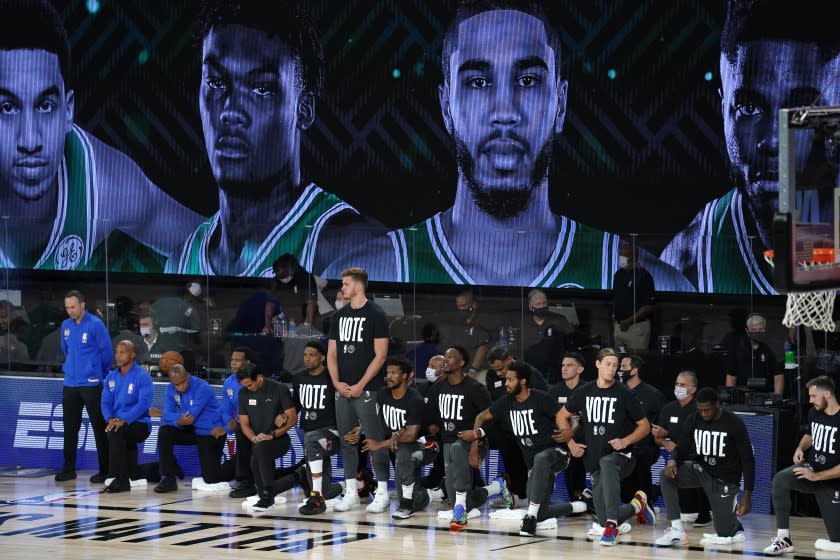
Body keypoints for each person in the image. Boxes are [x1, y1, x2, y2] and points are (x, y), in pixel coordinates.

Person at [323, 0, 692, 292]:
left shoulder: (656, 285)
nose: (505, 112)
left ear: (560, 105)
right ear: (446, 107)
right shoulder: (372, 275)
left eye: (528, 80)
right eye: (478, 81)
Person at [169, 0, 380, 277]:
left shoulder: (347, 247)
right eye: (216, 83)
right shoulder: (181, 260)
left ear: (303, 109)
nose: (231, 112)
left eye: (261, 89)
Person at [0, 0, 202, 273]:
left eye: (45, 106)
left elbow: (206, 247)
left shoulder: (106, 184)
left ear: (68, 111)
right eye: (8, 108)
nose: (29, 141)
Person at [661, 0, 840, 294]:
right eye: (748, 108)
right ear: (723, 108)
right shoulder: (688, 263)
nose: (771, 140)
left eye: (802, 106)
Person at [464, 359, 587, 536]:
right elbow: (480, 417)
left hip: (557, 454)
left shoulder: (541, 398)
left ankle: (529, 520)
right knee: (540, 512)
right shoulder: (506, 402)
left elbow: (572, 419)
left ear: (523, 381)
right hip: (533, 465)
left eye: (510, 380)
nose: (506, 383)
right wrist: (474, 448)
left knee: (541, 459)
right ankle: (576, 506)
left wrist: (570, 434)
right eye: (506, 379)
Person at [558, 347, 655, 546]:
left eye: (616, 366)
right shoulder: (584, 391)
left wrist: (626, 441)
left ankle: (612, 526)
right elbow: (561, 416)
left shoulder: (624, 393)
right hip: (593, 459)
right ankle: (637, 506)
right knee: (601, 516)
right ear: (598, 364)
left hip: (622, 456)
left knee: (608, 462)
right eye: (608, 364)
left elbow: (644, 426)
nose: (612, 369)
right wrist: (571, 443)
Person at [655, 387, 755, 546]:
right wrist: (672, 461)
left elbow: (748, 460)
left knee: (724, 533)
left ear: (717, 404)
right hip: (701, 470)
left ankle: (733, 521)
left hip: (724, 479)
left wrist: (748, 495)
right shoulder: (693, 418)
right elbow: (681, 448)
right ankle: (676, 530)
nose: (704, 414)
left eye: (707, 410)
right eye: (700, 410)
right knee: (665, 475)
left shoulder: (734, 423)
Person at [327, 267, 391, 513]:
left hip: (368, 390)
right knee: (346, 441)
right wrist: (336, 382)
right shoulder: (339, 316)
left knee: (374, 440)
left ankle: (383, 492)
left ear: (359, 286)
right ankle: (351, 492)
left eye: (345, 284)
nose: (342, 288)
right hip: (342, 390)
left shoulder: (376, 314)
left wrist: (361, 385)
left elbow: (381, 355)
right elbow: (331, 354)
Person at [427, 345, 511, 531]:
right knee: (454, 492)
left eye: (451, 357)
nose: (446, 360)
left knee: (458, 451)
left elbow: (489, 421)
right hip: (448, 442)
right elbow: (431, 417)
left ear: (462, 362)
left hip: (474, 441)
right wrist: (432, 430)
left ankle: (460, 510)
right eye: (445, 357)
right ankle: (496, 487)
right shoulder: (438, 387)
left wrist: (475, 445)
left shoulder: (475, 388)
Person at [763, 376, 840, 555]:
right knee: (780, 479)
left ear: (827, 393)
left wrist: (817, 477)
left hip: (832, 481)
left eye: (814, 396)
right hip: (811, 469)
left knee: (836, 540)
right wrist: (800, 447)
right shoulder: (815, 412)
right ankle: (784, 539)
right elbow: (810, 434)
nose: (811, 400)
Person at [361, 356, 444, 519]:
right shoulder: (383, 394)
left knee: (403, 450)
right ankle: (436, 492)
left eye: (394, 373)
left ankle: (407, 506)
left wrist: (380, 444)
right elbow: (379, 421)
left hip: (427, 446)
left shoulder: (415, 399)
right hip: (400, 444)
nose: (389, 376)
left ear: (405, 376)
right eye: (387, 372)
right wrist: (361, 429)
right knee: (374, 444)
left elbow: (412, 435)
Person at [55, 290, 112, 483]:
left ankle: (105, 470)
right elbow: (66, 349)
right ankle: (68, 469)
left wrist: (98, 373)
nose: (70, 311)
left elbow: (107, 353)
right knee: (70, 427)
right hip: (70, 383)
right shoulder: (66, 326)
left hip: (92, 383)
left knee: (99, 427)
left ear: (82, 305)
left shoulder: (96, 324)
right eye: (67, 307)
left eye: (73, 307)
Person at [154, 364, 232, 493]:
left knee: (211, 479)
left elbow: (190, 417)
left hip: (211, 432)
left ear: (187, 376)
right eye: (176, 385)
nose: (180, 387)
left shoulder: (202, 388)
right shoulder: (170, 389)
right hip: (191, 430)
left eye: (182, 383)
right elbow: (167, 415)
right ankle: (169, 478)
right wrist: (176, 418)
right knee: (165, 432)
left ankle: (233, 465)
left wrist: (169, 416)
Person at [485, 344, 548, 503]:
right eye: (495, 370)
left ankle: (530, 496)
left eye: (501, 369)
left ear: (509, 359)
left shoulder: (530, 373)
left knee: (526, 459)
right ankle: (516, 494)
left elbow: (543, 400)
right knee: (508, 456)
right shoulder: (492, 376)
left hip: (529, 425)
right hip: (506, 427)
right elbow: (495, 403)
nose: (498, 374)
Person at [651, 370, 711, 527]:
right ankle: (668, 513)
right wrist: (665, 442)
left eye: (683, 385)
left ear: (692, 389)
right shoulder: (669, 408)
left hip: (698, 453)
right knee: (666, 474)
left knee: (697, 465)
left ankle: (705, 513)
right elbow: (657, 436)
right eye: (677, 384)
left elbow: (697, 435)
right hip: (679, 454)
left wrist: (669, 433)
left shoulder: (699, 409)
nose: (678, 387)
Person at [237, 362, 297, 511]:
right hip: (258, 442)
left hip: (279, 439)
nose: (248, 388)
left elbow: (292, 418)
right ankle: (295, 476)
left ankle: (267, 496)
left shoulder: (279, 389)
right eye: (244, 386)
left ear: (258, 377)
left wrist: (273, 434)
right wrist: (253, 438)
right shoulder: (243, 394)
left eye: (250, 385)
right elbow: (244, 424)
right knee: (257, 452)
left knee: (259, 452)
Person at [295, 341, 345, 515]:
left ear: (323, 357)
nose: (307, 358)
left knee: (312, 439)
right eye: (305, 355)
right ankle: (350, 486)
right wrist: (283, 415)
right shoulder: (299, 378)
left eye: (312, 355)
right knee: (326, 490)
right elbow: (295, 406)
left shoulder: (332, 378)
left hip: (333, 434)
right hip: (311, 436)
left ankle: (316, 497)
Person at [100, 340, 153, 493]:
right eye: (117, 352)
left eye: (123, 352)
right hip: (117, 422)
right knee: (114, 431)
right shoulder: (111, 377)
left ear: (133, 354)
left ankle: (121, 480)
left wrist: (124, 420)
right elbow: (105, 402)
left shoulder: (142, 376)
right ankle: (136, 474)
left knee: (116, 433)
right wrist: (109, 418)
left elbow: (144, 403)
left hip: (140, 423)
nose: (118, 356)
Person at [618, 354, 665, 509]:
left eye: (623, 367)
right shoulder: (617, 391)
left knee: (639, 457)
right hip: (622, 445)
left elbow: (662, 420)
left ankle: (647, 502)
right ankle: (652, 492)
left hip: (645, 446)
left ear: (634, 370)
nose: (619, 370)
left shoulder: (652, 394)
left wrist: (661, 432)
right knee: (626, 496)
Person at [548, 352, 587, 501]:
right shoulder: (554, 392)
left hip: (585, 438)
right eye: (563, 365)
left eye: (569, 365)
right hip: (561, 438)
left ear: (580, 369)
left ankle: (581, 497)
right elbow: (551, 418)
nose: (564, 368)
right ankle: (574, 499)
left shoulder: (588, 389)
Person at [220, 347, 258, 498]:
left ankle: (245, 481)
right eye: (232, 360)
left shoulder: (255, 380)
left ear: (247, 362)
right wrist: (228, 421)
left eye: (237, 360)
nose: (233, 363)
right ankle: (244, 480)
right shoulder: (228, 382)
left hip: (258, 424)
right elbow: (225, 408)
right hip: (241, 425)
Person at [725, 313, 784, 394]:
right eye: (754, 330)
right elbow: (731, 376)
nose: (757, 332)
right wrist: (730, 398)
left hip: (765, 395)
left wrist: (777, 397)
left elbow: (778, 375)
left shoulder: (769, 349)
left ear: (765, 329)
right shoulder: (738, 349)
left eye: (760, 330)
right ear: (747, 331)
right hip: (742, 396)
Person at [612, 241, 655, 351]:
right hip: (618, 328)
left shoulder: (644, 276)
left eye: (622, 256)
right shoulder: (618, 275)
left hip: (636, 329)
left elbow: (648, 306)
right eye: (619, 255)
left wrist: (628, 321)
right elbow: (617, 298)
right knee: (619, 359)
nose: (620, 258)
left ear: (632, 257)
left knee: (636, 361)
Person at [522, 289, 572, 383]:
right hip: (529, 372)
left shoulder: (559, 320)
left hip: (556, 372)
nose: (542, 306)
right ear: (530, 306)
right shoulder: (523, 323)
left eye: (544, 303)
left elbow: (570, 345)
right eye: (538, 304)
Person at [441, 289, 491, 373]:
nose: (461, 309)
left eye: (464, 306)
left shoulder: (481, 321)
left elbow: (483, 347)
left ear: (473, 304)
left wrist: (472, 371)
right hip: (458, 371)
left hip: (477, 372)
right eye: (459, 306)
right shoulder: (457, 323)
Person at [264, 253, 319, 328]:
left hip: (306, 316)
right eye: (278, 275)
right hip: (287, 318)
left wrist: (307, 324)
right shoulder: (276, 281)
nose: (281, 278)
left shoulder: (305, 278)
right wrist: (267, 326)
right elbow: (270, 304)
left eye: (283, 275)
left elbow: (311, 303)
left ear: (291, 269)